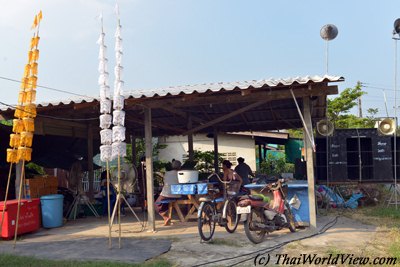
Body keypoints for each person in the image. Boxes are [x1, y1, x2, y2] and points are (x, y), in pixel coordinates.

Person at [155, 160, 182, 226]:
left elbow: (164, 182)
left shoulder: (167, 173)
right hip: (178, 195)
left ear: (172, 166)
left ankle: (165, 217)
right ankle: (166, 216)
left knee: (155, 204)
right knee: (165, 202)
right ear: (180, 167)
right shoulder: (181, 174)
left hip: (167, 194)